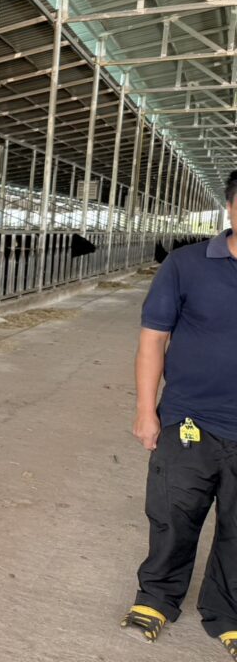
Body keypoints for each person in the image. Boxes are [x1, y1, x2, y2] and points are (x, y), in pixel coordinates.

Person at [120, 169, 237, 660]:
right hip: (190, 418)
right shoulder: (187, 264)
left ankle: (227, 613)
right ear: (230, 206)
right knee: (173, 512)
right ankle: (157, 599)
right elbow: (154, 339)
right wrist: (146, 409)